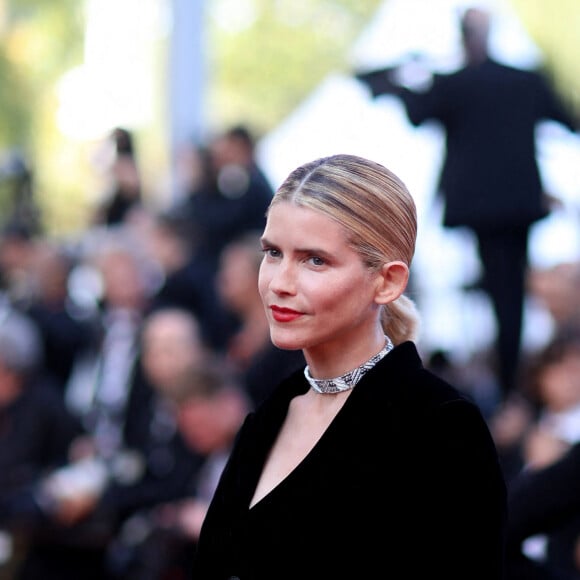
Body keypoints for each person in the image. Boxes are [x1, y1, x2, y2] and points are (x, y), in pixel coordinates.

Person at [191, 153, 507, 579]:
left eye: (314, 260)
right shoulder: (270, 415)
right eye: (272, 253)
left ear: (388, 281)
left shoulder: (438, 426)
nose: (279, 283)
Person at [358, 7, 578, 400]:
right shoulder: (523, 81)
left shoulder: (456, 84)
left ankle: (509, 380)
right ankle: (510, 375)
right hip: (517, 206)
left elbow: (418, 113)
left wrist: (399, 83)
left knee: (501, 292)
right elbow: (566, 118)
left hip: (483, 210)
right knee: (508, 291)